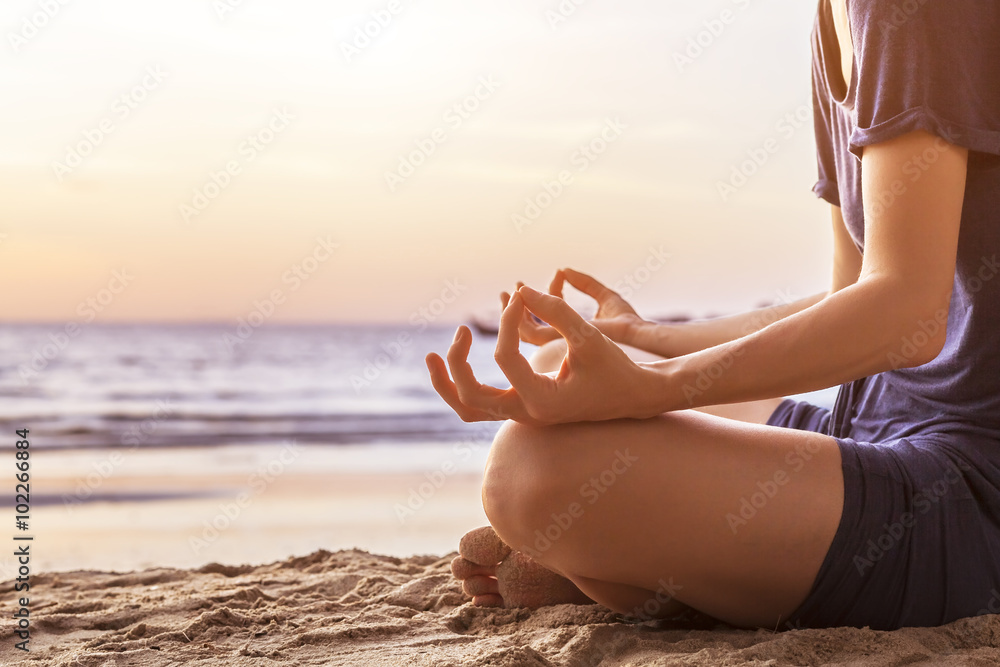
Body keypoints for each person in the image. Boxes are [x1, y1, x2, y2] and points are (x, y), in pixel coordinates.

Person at [425, 0, 1000, 630]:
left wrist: (651, 388)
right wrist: (647, 340)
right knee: (560, 366)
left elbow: (906, 317)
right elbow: (851, 298)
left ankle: (649, 566)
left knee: (530, 474)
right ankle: (670, 565)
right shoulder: (830, 20)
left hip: (968, 486)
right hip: (866, 427)